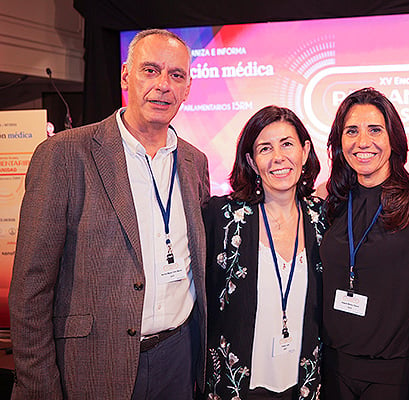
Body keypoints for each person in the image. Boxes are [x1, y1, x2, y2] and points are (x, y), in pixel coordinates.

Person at [9, 29, 210, 399]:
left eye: (176, 75)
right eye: (150, 70)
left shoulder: (195, 162)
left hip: (180, 357)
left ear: (187, 87)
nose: (163, 85)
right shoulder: (65, 155)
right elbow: (30, 289)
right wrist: (38, 386)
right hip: (92, 364)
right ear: (125, 75)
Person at [320, 87, 409, 399]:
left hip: (397, 374)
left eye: (375, 130)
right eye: (351, 131)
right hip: (334, 367)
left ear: (394, 139)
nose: (363, 142)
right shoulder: (328, 198)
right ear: (339, 141)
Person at [202, 106, 325, 400]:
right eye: (265, 148)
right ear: (252, 162)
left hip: (304, 386)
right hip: (236, 386)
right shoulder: (222, 218)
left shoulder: (324, 219)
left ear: (305, 151)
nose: (278, 157)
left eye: (287, 144)